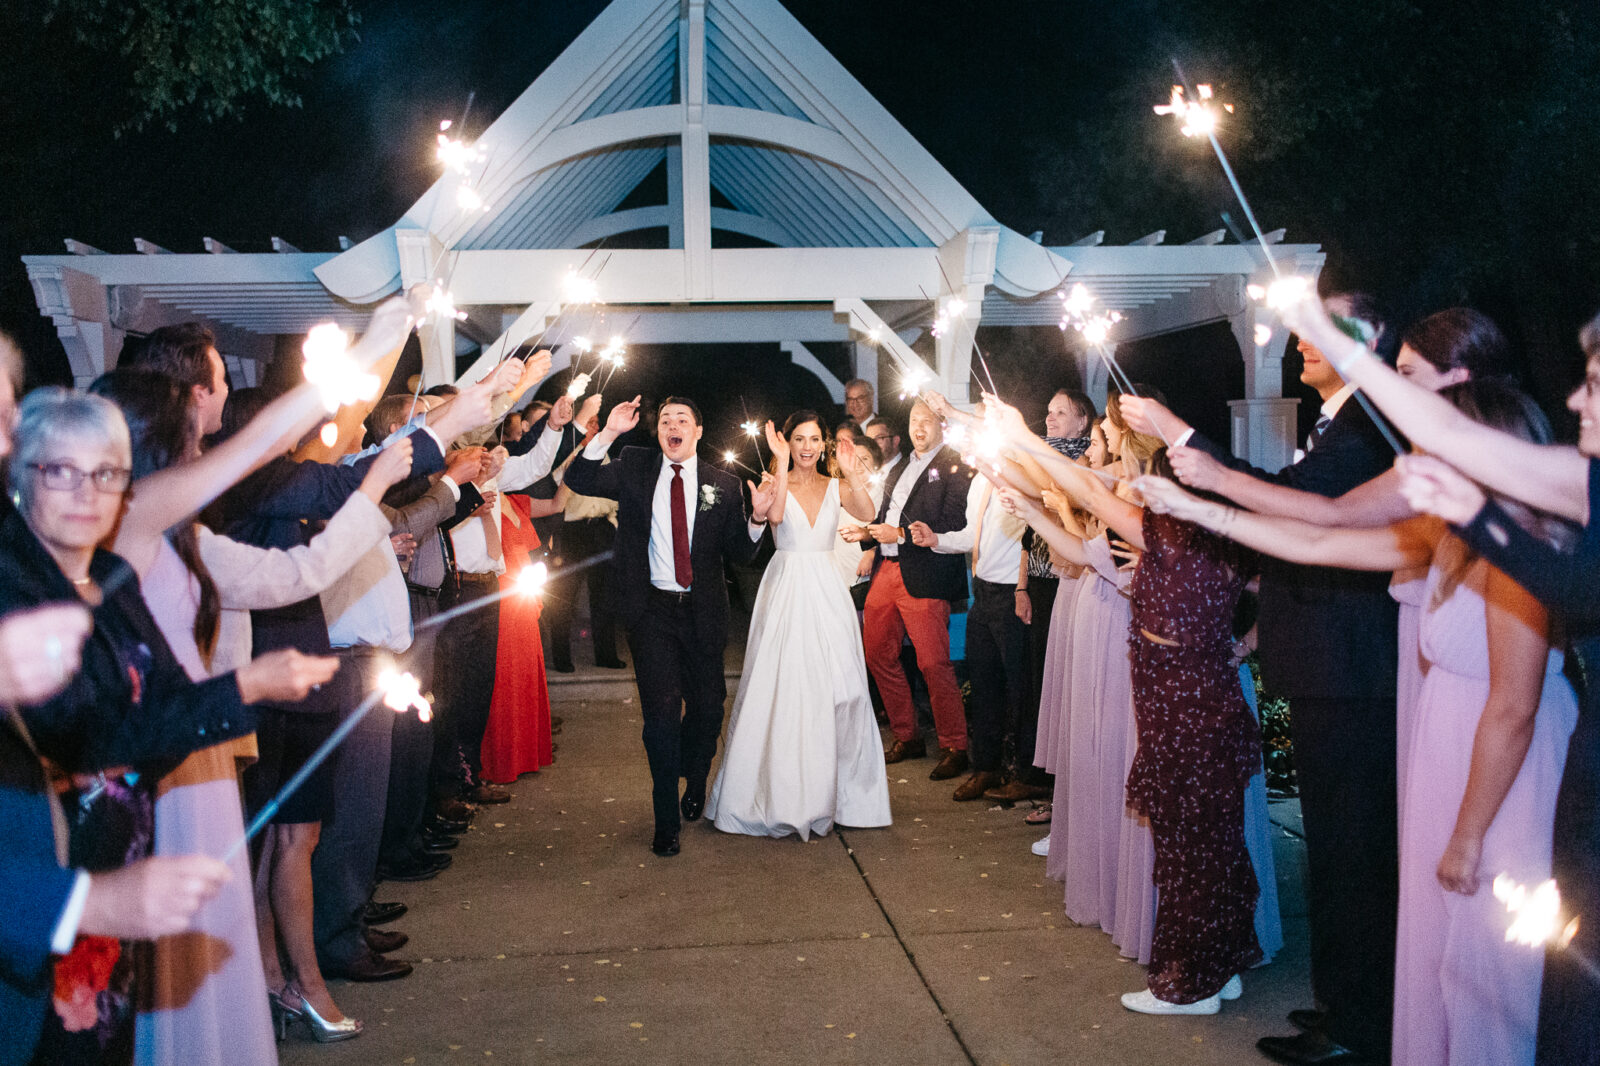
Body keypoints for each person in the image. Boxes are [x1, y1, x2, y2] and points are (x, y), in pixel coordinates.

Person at [1140, 377, 1576, 1063]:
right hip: (1450, 747)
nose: (1406, 466)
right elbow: (1316, 545)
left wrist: (1464, 837)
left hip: (1501, 772)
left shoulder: (1518, 550)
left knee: (1489, 953)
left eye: (1426, 450)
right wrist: (1202, 509)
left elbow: (1514, 707)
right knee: (1442, 946)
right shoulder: (1447, 535)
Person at [1274, 293, 1600, 1066]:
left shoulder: (1550, 488)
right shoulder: (1525, 507)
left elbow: (1520, 684)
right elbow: (1553, 575)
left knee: (1514, 973)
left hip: (1533, 755)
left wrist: (1335, 341)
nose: (1577, 395)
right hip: (1525, 758)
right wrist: (1476, 516)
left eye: (1595, 379)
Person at [1122, 292, 1401, 1066]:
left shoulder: (1371, 426)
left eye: (1319, 329)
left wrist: (1191, 456)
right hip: (1328, 670)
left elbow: (1309, 511)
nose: (1300, 341)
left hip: (1353, 673)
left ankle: (1362, 1027)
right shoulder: (1340, 423)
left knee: (1354, 854)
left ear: (1367, 340)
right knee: (1338, 855)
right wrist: (1190, 457)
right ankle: (1345, 1005)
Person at [0, 335, 231, 1066]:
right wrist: (83, 904)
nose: (11, 428)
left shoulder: (96, 576)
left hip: (93, 875)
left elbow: (137, 718)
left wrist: (245, 693)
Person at [563, 395, 777, 857]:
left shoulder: (724, 482)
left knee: (706, 711)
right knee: (660, 719)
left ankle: (696, 774)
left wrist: (758, 517)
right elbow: (578, 477)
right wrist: (610, 432)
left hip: (703, 613)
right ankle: (666, 822)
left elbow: (741, 552)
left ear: (698, 431)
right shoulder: (635, 466)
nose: (672, 426)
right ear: (657, 430)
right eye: (664, 420)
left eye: (682, 419)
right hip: (651, 613)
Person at [708, 411, 888, 839]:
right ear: (788, 443)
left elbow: (867, 511)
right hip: (787, 585)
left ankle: (842, 793)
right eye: (799, 440)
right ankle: (788, 795)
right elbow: (773, 519)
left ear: (824, 444)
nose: (807, 447)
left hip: (826, 588)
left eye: (813, 439)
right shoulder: (774, 482)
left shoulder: (835, 486)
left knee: (840, 688)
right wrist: (781, 463)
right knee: (786, 687)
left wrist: (850, 473)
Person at [862, 399, 975, 779]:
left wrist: (900, 535)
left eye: (927, 421)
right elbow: (884, 517)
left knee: (932, 662)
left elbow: (953, 518)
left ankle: (955, 745)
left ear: (943, 425)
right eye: (914, 420)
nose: (919, 427)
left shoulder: (955, 464)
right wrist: (866, 535)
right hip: (887, 568)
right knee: (876, 651)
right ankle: (907, 735)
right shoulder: (901, 466)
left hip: (925, 572)